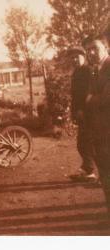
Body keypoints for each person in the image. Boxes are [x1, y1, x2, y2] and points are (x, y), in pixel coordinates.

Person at [82, 34, 110, 217]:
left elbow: (106, 97)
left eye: (96, 48)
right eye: (89, 49)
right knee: (105, 174)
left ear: (106, 47)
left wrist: (91, 99)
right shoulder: (95, 70)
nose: (91, 52)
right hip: (100, 130)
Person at [67, 47, 96, 181]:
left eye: (77, 57)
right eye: (72, 58)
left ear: (84, 56)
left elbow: (89, 93)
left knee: (87, 143)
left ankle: (89, 171)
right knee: (83, 143)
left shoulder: (88, 71)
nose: (74, 60)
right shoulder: (77, 72)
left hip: (89, 113)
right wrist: (74, 113)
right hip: (80, 113)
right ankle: (87, 170)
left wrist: (83, 110)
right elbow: (75, 95)